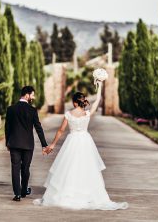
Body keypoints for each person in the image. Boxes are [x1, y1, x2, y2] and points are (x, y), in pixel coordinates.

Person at [34, 81, 128, 210]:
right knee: (87, 167)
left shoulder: (69, 114)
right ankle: (87, 193)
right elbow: (97, 101)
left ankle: (67, 193)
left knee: (70, 166)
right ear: (82, 102)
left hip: (72, 141)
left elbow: (61, 130)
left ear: (74, 102)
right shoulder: (87, 114)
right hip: (85, 141)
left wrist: (52, 145)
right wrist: (100, 86)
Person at [5, 86, 49, 201]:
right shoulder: (32, 110)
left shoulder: (11, 109)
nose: (33, 97)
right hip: (28, 145)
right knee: (25, 168)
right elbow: (38, 128)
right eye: (32, 95)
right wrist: (44, 144)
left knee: (15, 168)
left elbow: (7, 128)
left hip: (14, 143)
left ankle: (18, 194)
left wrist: (7, 143)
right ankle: (24, 190)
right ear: (27, 95)